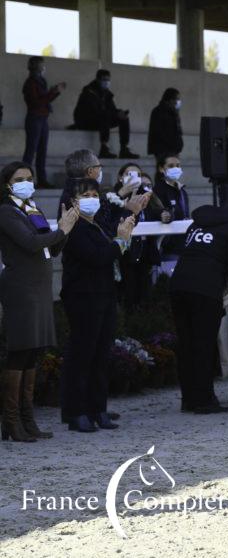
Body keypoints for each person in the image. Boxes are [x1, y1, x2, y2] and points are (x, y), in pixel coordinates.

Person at [0, 162, 78, 441]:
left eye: (30, 177)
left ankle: (26, 418)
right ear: (8, 184)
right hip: (21, 285)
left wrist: (65, 230)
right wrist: (62, 229)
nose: (27, 182)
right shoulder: (6, 212)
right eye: (20, 178)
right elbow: (32, 243)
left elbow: (52, 248)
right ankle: (10, 420)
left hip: (40, 285)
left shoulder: (32, 208)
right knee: (20, 350)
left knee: (34, 350)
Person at [60, 178, 136, 432]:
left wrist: (120, 234)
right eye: (86, 194)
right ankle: (76, 411)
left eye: (95, 193)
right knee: (83, 355)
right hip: (83, 297)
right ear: (73, 201)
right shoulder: (75, 229)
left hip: (103, 294)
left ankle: (97, 408)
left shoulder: (96, 226)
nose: (92, 197)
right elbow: (97, 257)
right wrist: (121, 241)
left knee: (101, 355)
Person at [169, 200, 228, 414]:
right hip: (206, 288)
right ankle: (204, 400)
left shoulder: (196, 225)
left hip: (179, 285)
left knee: (186, 345)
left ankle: (189, 398)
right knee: (204, 344)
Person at [113, 163, 163, 310]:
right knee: (127, 295)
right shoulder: (114, 196)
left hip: (145, 253)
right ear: (120, 178)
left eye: (138, 175)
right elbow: (113, 219)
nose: (135, 179)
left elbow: (159, 209)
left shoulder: (146, 194)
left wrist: (165, 215)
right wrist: (130, 210)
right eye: (130, 174)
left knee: (144, 296)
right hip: (125, 254)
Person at [71, 69, 138, 159]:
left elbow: (112, 109)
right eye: (104, 80)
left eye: (108, 80)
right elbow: (94, 111)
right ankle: (104, 148)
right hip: (85, 121)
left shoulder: (107, 94)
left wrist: (118, 113)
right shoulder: (88, 92)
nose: (106, 82)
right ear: (98, 80)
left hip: (101, 120)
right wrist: (113, 113)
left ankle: (124, 149)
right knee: (105, 115)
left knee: (124, 118)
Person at [21, 56, 66, 188]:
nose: (43, 67)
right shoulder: (30, 83)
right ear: (36, 67)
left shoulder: (41, 81)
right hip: (34, 118)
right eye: (42, 65)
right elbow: (37, 103)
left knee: (42, 151)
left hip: (42, 118)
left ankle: (41, 180)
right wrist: (53, 92)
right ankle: (24, 180)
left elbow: (44, 99)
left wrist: (53, 92)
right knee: (30, 151)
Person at [153, 153, 190, 269]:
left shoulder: (182, 190)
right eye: (171, 166)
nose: (176, 168)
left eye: (178, 165)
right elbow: (157, 212)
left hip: (183, 244)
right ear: (161, 169)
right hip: (167, 246)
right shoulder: (157, 190)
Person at [147, 88, 184, 158]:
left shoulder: (173, 112)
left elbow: (177, 131)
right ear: (171, 99)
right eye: (177, 99)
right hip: (163, 150)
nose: (178, 102)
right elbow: (159, 132)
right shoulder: (159, 111)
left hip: (173, 149)